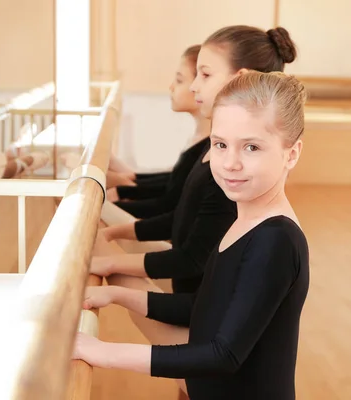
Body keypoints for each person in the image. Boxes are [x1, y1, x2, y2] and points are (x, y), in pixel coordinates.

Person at [74, 71, 310, 400]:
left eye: (252, 147)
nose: (230, 163)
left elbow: (222, 355)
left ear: (292, 153)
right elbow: (204, 308)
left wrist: (103, 353)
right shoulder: (245, 220)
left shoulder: (275, 241)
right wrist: (117, 295)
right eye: (220, 145)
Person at [92, 25, 300, 294]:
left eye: (205, 75)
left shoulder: (231, 176)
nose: (193, 86)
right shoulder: (212, 156)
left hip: (195, 310)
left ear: (239, 78)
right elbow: (180, 215)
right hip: (192, 304)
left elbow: (193, 258)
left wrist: (113, 265)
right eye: (221, 145)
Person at [106, 45, 212, 219]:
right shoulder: (198, 138)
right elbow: (173, 182)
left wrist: (121, 195)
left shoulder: (209, 146)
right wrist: (127, 184)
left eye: (179, 80)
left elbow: (170, 203)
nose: (171, 87)